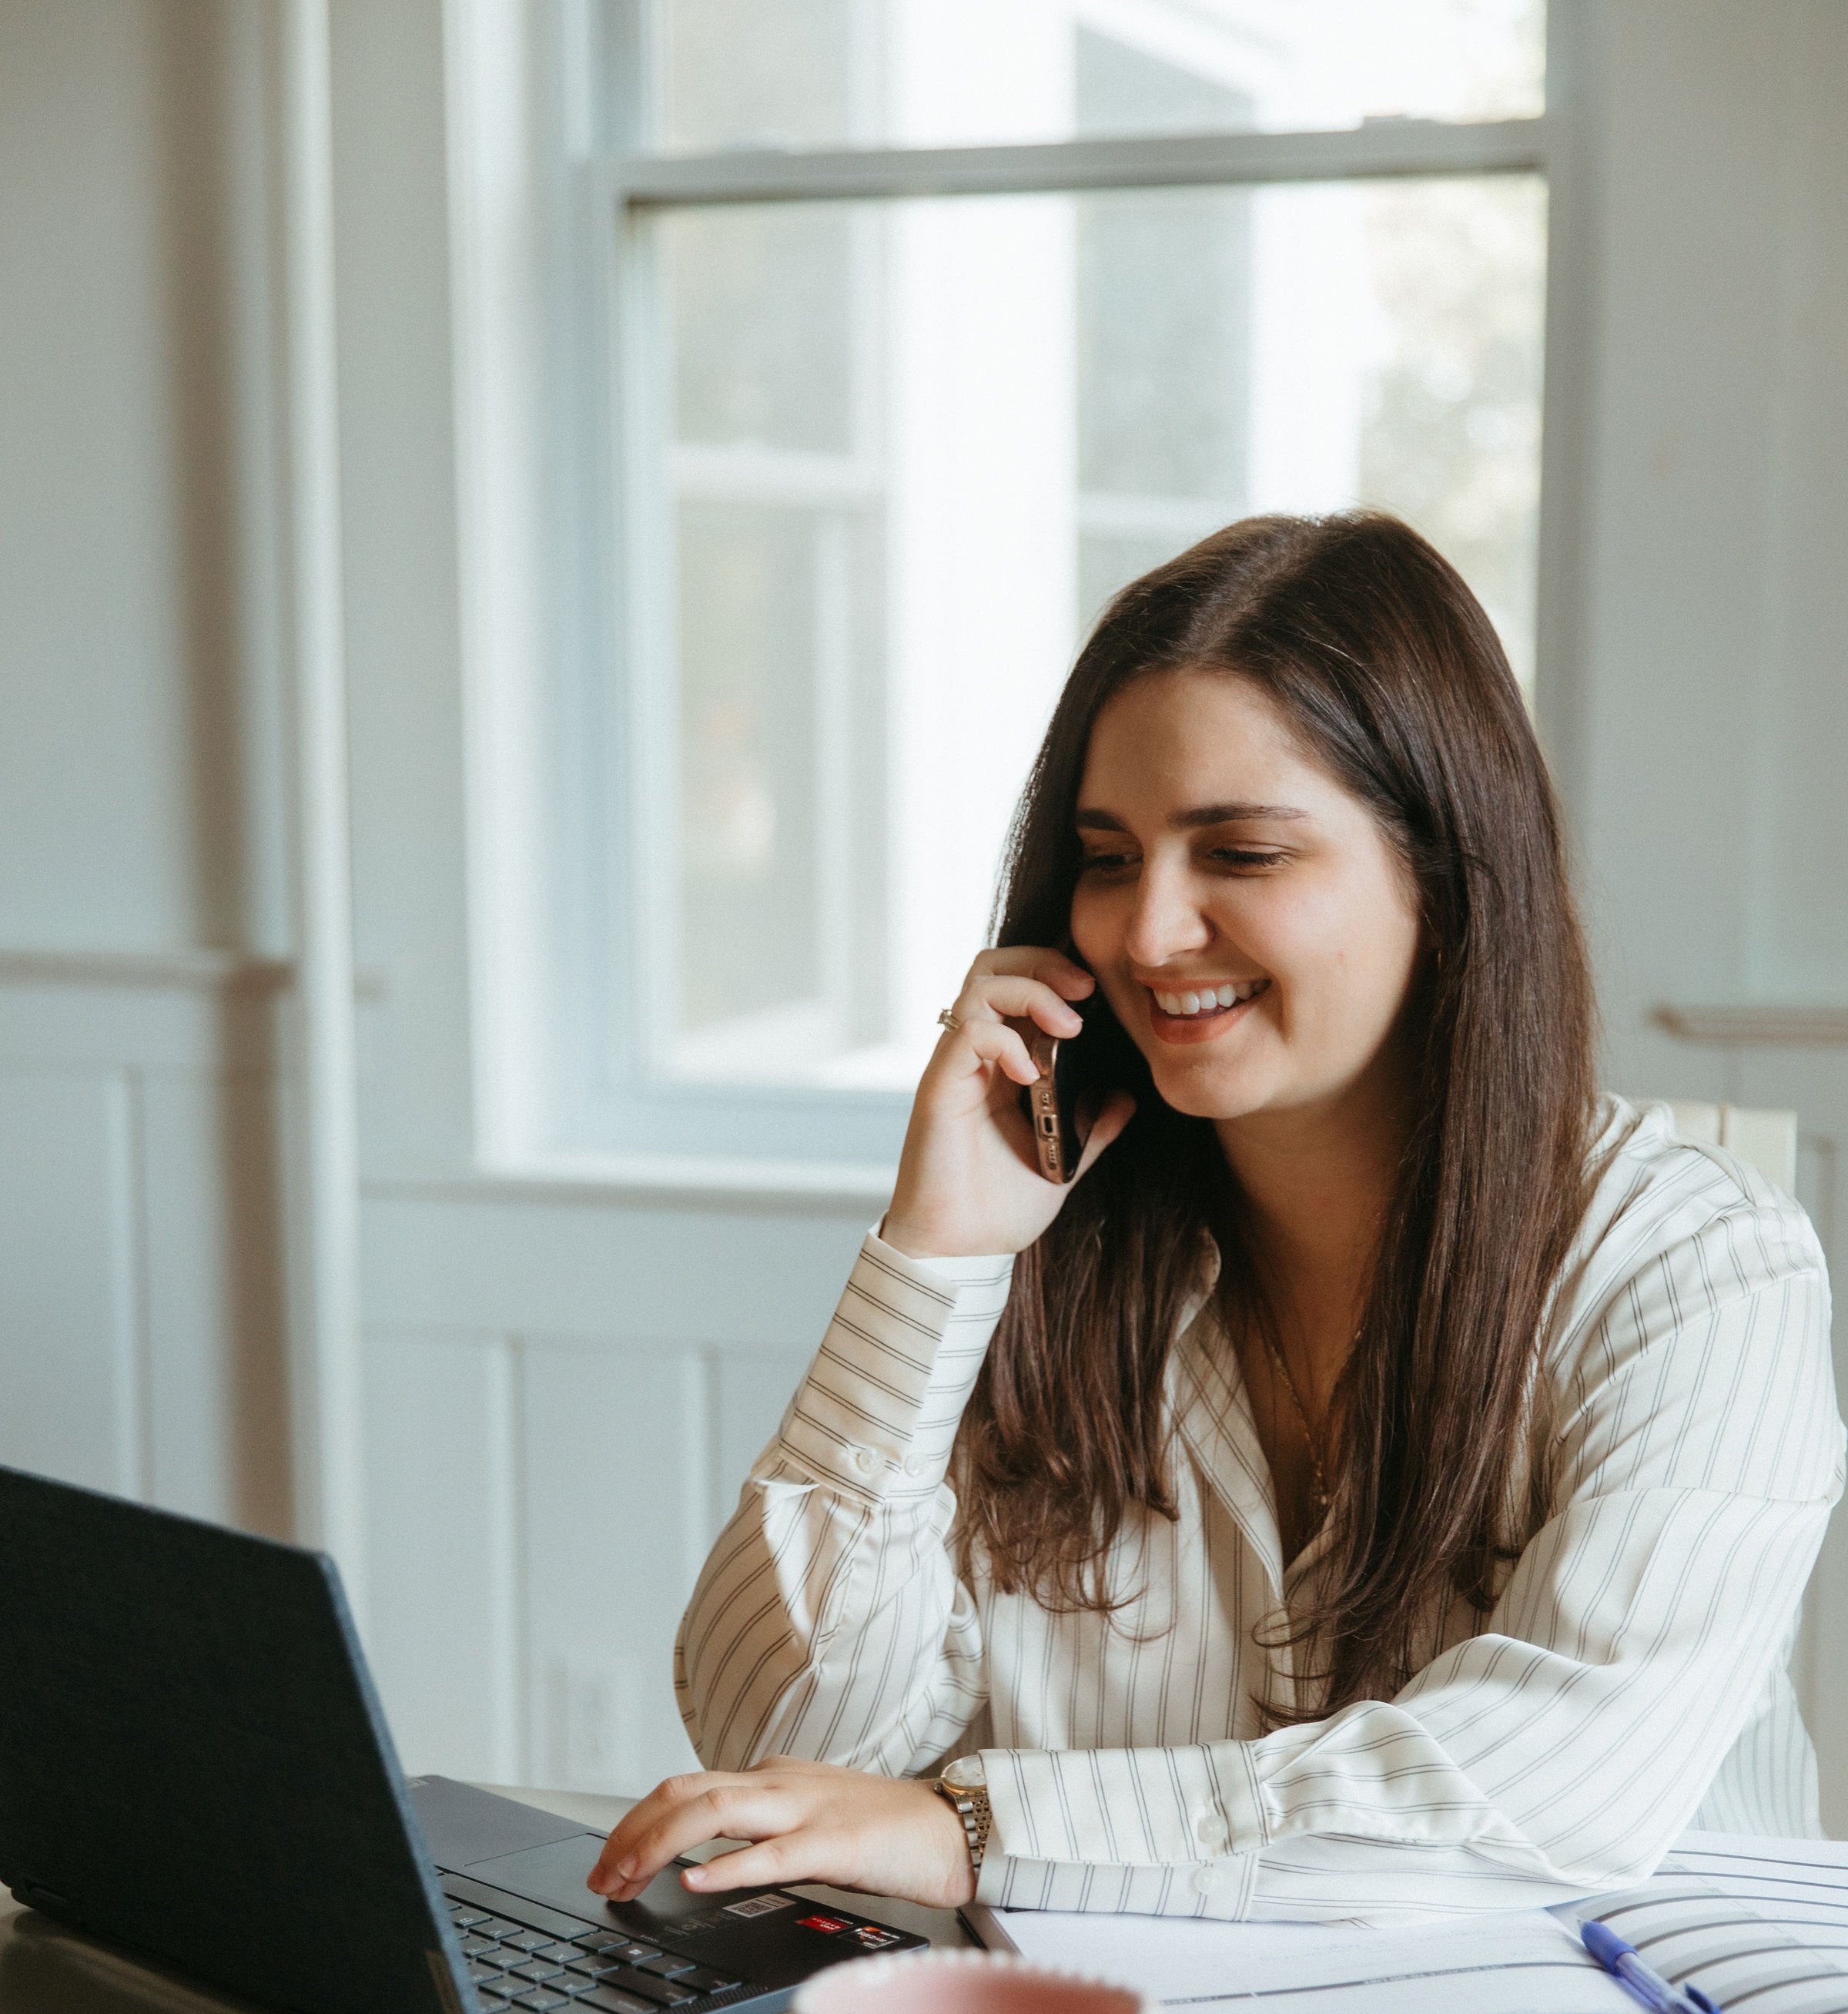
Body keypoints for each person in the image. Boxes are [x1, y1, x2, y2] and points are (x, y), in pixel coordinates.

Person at [591, 511, 1845, 1922]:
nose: (1144, 932)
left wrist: (976, 1827)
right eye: (1110, 857)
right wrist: (931, 1259)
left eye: (1240, 853)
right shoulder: (1046, 1242)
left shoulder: (1697, 1272)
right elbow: (793, 1753)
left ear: (1443, 873)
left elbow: (1546, 1788)